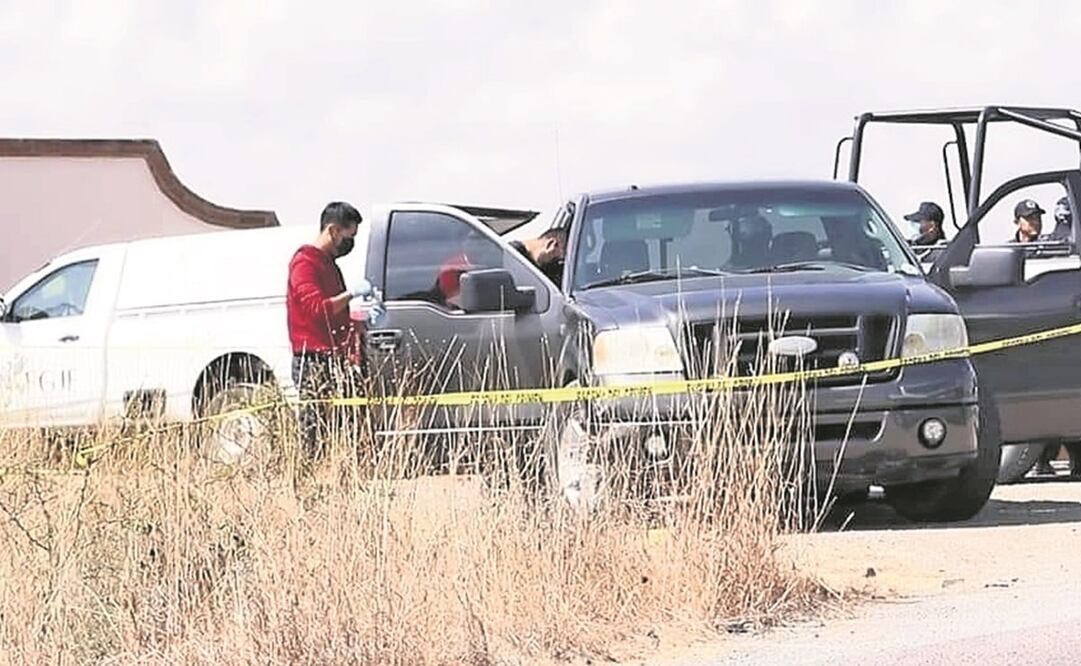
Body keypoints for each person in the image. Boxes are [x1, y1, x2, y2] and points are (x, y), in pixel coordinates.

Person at [286, 201, 369, 459]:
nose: (349, 244)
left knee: (348, 421)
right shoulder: (305, 264)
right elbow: (317, 308)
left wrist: (358, 321)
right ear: (333, 231)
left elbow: (335, 313)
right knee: (314, 431)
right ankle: (309, 481)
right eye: (348, 236)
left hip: (334, 356)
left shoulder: (329, 265)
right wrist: (351, 294)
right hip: (312, 359)